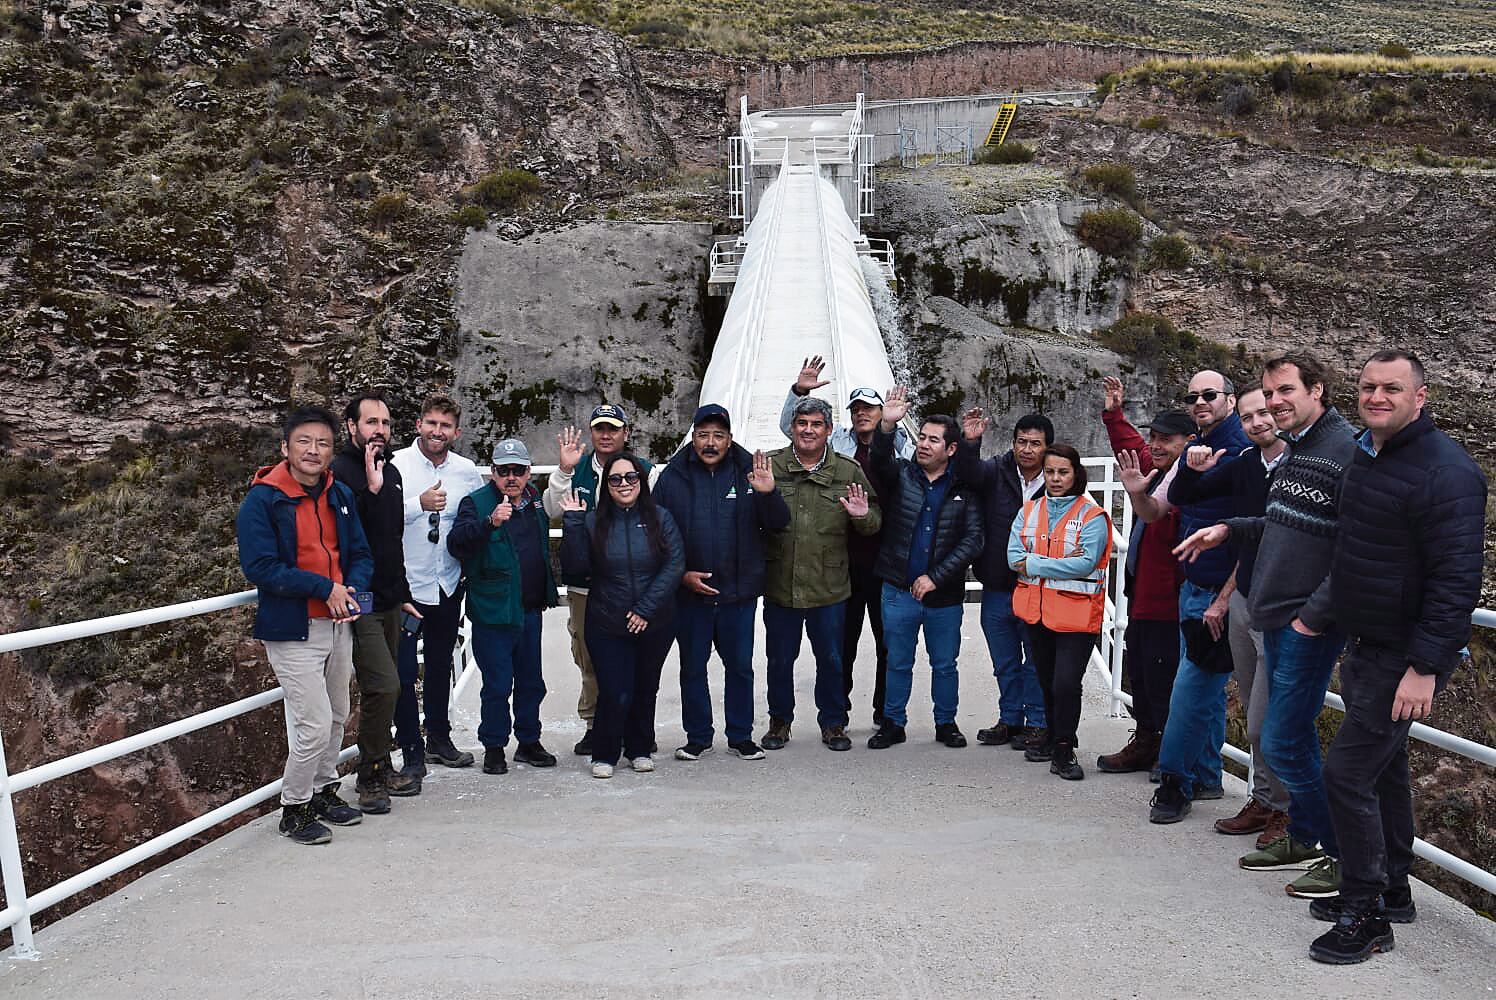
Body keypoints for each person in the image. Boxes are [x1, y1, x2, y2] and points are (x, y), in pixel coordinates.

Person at [1309, 351, 1485, 964]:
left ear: (1421, 396)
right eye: (1367, 387)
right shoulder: (1370, 456)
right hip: (1364, 644)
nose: (1377, 396)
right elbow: (1357, 549)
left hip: (1401, 657)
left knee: (1347, 774)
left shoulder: (1447, 472)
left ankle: (1366, 915)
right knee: (1383, 773)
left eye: (1391, 388)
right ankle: (1392, 888)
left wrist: (1426, 665)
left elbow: (1457, 581)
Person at [1175, 352, 1357, 899]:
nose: (1274, 404)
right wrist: (1230, 529)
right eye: (1269, 394)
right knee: (1283, 736)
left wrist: (1312, 617)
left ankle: (1337, 852)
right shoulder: (1299, 449)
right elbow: (1281, 522)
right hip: (1276, 612)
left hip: (1303, 622)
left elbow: (1352, 547)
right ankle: (1303, 835)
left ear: (1317, 389)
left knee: (1282, 737)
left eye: (1284, 392)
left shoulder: (1344, 450)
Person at [1106, 372, 1250, 800]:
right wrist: (1135, 491)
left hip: (1212, 594)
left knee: (1191, 689)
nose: (1200, 401)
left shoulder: (1239, 452)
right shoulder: (1194, 455)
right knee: (1199, 691)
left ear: (1230, 399)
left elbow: (1252, 531)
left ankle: (1175, 778)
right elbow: (1154, 504)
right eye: (1193, 396)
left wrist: (1224, 597)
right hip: (1193, 590)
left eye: (1209, 395)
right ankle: (1204, 774)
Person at [1158, 386, 1290, 837]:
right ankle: (1254, 797)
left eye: (1265, 412)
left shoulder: (1302, 462)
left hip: (1268, 604)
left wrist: (1220, 598)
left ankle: (1284, 814)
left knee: (1263, 714)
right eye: (1252, 416)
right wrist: (1193, 469)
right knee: (1235, 705)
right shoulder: (1246, 462)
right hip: (1238, 598)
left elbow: (1268, 535)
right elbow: (1182, 494)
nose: (1259, 421)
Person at [237, 405, 373, 845]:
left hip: (338, 623)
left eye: (323, 444)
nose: (314, 451)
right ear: (285, 448)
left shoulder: (340, 495)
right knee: (312, 722)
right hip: (293, 628)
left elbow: (360, 554)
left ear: (332, 451)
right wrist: (323, 588)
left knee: (336, 714)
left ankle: (322, 790)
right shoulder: (263, 499)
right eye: (304, 442)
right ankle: (293, 808)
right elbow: (260, 566)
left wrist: (352, 590)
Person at [653, 405, 790, 762]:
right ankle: (697, 737)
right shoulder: (673, 477)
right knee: (693, 668)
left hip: (738, 594)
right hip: (690, 595)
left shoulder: (750, 470)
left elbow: (778, 524)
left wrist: (768, 493)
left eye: (718, 436)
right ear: (693, 437)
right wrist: (681, 575)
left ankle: (741, 736)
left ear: (730, 439)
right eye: (703, 435)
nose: (710, 443)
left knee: (740, 668)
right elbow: (656, 534)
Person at [780, 356, 912, 725]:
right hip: (844, 560)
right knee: (842, 644)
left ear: (881, 411)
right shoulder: (837, 441)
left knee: (888, 642)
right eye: (856, 409)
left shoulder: (899, 442)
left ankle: (886, 712)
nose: (861, 414)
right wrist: (800, 392)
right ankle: (838, 711)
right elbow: (794, 430)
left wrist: (890, 424)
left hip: (886, 560)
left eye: (869, 408)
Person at [761, 394, 881, 752]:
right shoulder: (771, 466)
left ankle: (833, 722)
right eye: (802, 424)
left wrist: (862, 516)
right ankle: (780, 721)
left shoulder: (848, 471)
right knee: (779, 659)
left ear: (829, 430)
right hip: (781, 584)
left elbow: (874, 523)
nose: (808, 431)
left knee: (831, 659)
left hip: (829, 588)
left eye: (816, 425)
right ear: (792, 428)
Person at [866, 388, 984, 749]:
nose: (923, 445)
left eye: (934, 440)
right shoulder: (902, 475)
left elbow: (973, 540)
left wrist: (935, 577)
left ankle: (945, 722)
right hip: (898, 589)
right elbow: (878, 459)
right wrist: (887, 423)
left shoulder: (965, 488)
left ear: (951, 449)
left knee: (944, 664)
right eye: (921, 437)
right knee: (896, 661)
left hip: (943, 595)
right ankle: (892, 722)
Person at [543, 404, 661, 757]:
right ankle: (597, 725)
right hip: (585, 583)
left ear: (626, 432)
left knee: (640, 659)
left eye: (613, 429)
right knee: (590, 656)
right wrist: (563, 470)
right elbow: (551, 509)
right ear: (592, 433)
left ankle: (638, 728)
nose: (606, 435)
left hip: (632, 582)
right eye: (599, 429)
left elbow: (659, 521)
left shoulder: (646, 473)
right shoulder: (576, 469)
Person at [559, 453, 685, 778]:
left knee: (645, 688)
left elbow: (674, 566)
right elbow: (575, 571)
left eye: (631, 477)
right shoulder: (593, 522)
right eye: (615, 479)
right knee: (615, 689)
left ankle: (639, 748)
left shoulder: (661, 518)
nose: (624, 484)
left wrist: (645, 609)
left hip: (654, 619)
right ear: (607, 486)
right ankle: (605, 752)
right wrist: (572, 523)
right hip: (607, 621)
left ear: (641, 482)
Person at [330, 392, 422, 810]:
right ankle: (368, 776)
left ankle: (380, 765)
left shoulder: (394, 470)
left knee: (385, 688)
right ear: (351, 427)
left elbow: (391, 539)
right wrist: (369, 489)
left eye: (385, 423)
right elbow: (347, 537)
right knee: (384, 685)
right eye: (371, 423)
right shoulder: (340, 473)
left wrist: (402, 593)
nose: (379, 430)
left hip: (388, 598)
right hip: (358, 598)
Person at [447, 439, 560, 776]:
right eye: (503, 470)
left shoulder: (535, 500)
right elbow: (457, 543)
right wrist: (490, 523)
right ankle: (494, 747)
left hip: (529, 608)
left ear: (527, 472)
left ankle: (528, 742)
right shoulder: (476, 503)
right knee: (497, 684)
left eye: (518, 470)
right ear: (492, 472)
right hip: (493, 611)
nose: (511, 477)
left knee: (531, 681)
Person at [1096, 387, 1190, 774]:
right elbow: (1132, 447)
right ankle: (1146, 739)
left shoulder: (1190, 480)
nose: (1155, 446)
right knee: (1142, 672)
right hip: (1144, 595)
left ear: (1191, 442)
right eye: (1154, 437)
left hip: (1170, 599)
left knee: (1164, 677)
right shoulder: (1158, 470)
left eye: (1165, 439)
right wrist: (1115, 415)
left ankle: (1165, 750)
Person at [391, 394, 486, 773]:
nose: (437, 431)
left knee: (440, 662)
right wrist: (419, 504)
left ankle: (439, 739)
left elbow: (474, 520)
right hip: (406, 587)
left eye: (445, 425)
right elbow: (377, 519)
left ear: (456, 432)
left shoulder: (466, 471)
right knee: (401, 670)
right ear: (418, 425)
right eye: (431, 423)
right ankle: (411, 747)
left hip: (446, 584)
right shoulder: (395, 465)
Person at [1007, 444, 1113, 780]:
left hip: (1078, 617)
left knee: (1067, 684)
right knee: (1047, 680)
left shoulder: (1093, 517)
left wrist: (1035, 563)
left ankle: (1065, 750)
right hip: (1037, 614)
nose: (1055, 478)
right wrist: (1052, 566)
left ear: (1075, 474)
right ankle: (1054, 738)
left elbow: (1086, 562)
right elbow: (1012, 557)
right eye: (1049, 472)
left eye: (1062, 472)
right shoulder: (1029, 510)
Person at [956, 408, 1054, 751]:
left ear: (1047, 448)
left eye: (1035, 444)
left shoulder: (1057, 479)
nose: (1027, 450)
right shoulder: (996, 471)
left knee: (1037, 660)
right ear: (1012, 443)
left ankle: (1038, 723)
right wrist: (970, 441)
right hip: (998, 586)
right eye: (1021, 442)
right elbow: (967, 472)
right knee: (1005, 661)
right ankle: (1010, 719)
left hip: (1040, 588)